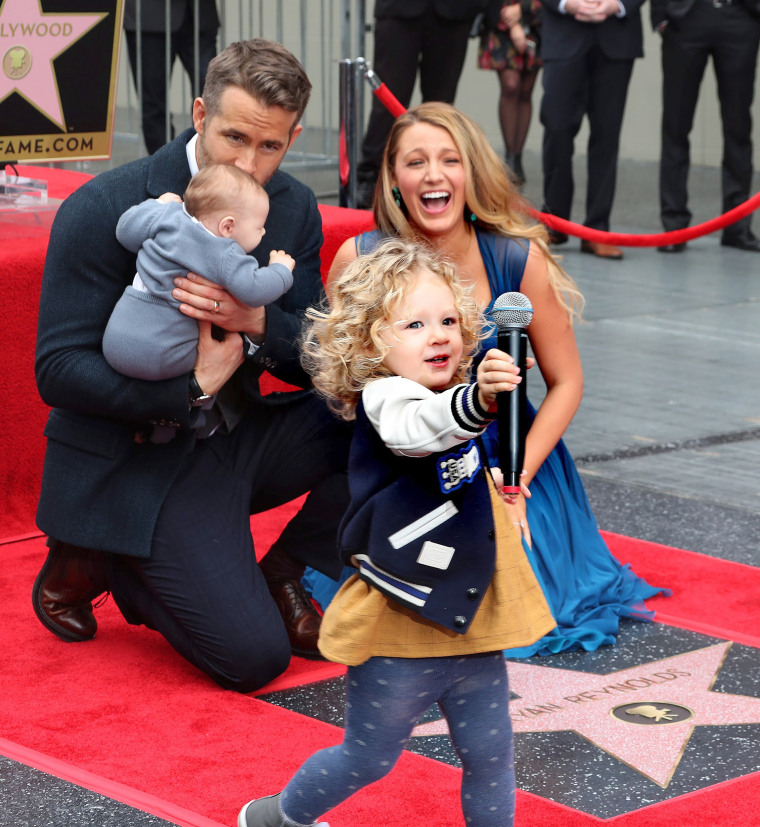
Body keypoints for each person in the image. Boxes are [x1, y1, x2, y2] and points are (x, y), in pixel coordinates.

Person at [32, 39, 352, 693]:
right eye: (234, 137)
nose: (249, 163)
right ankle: (111, 557)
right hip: (139, 456)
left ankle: (284, 569)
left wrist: (255, 322)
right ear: (200, 114)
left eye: (271, 146)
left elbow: (319, 357)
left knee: (394, 407)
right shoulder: (106, 206)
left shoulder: (290, 206)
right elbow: (57, 369)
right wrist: (189, 388)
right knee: (256, 659)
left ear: (293, 137)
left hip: (239, 438)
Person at [304, 102, 669, 659]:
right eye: (415, 161)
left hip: (511, 458)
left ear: (470, 173)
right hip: (405, 460)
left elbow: (567, 383)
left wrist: (515, 481)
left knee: (520, 609)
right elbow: (345, 379)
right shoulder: (362, 258)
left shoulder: (517, 260)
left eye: (450, 160)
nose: (433, 174)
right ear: (394, 181)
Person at [238, 238, 555, 827]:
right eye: (414, 323)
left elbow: (460, 460)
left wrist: (503, 485)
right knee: (369, 756)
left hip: (468, 619)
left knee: (491, 755)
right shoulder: (388, 397)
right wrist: (479, 399)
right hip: (401, 623)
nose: (439, 334)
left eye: (448, 321)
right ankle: (281, 817)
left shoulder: (452, 395)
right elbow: (424, 431)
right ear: (369, 343)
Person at [103, 164, 295, 383]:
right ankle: (203, 402)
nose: (264, 231)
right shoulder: (226, 253)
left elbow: (125, 232)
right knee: (222, 356)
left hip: (116, 340)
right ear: (228, 227)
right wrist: (280, 270)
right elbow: (254, 290)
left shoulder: (168, 216)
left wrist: (157, 204)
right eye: (259, 226)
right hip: (167, 356)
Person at [355, 0, 488, 209]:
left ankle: (436, 177)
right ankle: (370, 177)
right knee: (388, 101)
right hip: (398, 12)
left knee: (441, 106)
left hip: (454, 13)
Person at [651, 0, 760, 254]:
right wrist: (660, 17)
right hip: (686, 18)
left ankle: (737, 226)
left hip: (741, 17)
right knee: (676, 125)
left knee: (738, 126)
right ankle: (674, 226)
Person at [538, 0, 645, 259]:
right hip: (563, 32)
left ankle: (597, 230)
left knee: (607, 134)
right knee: (557, 126)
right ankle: (554, 222)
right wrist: (568, 3)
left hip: (617, 34)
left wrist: (616, 5)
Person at [123, 0, 220, 154]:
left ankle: (203, 163)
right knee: (153, 101)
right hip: (148, 17)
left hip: (198, 14)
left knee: (212, 95)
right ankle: (165, 167)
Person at [478, 0, 543, 185]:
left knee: (525, 91)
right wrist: (513, 22)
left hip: (536, 22)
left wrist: (522, 9)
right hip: (501, 17)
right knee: (511, 86)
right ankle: (509, 159)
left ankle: (516, 157)